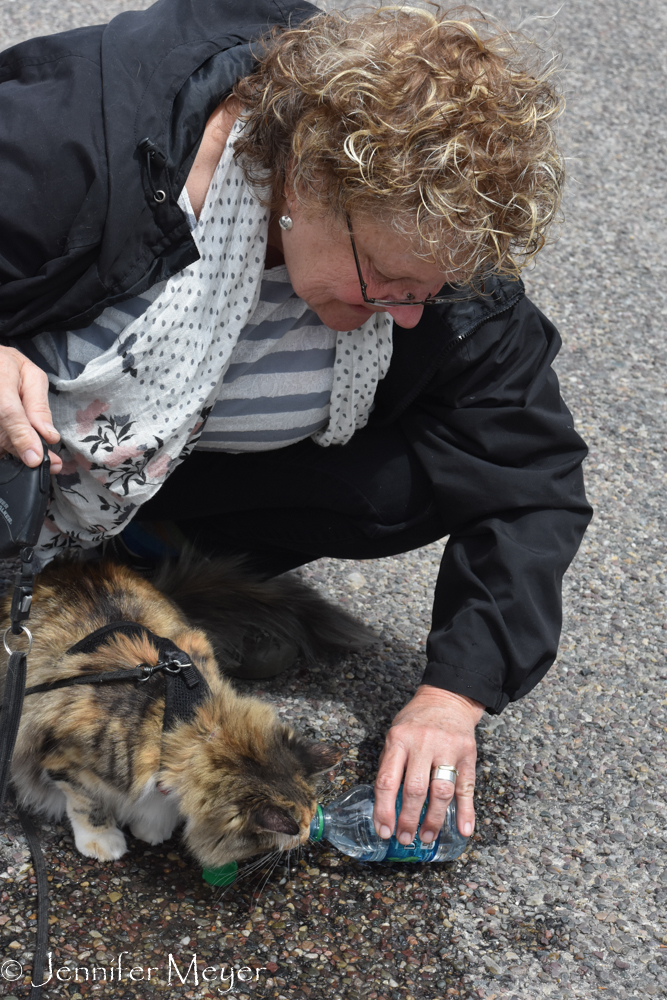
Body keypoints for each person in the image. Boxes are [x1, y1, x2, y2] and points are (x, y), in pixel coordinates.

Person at [0, 0, 591, 852]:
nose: (406, 313)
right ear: (312, 173)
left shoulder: (442, 275)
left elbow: (530, 483)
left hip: (165, 470)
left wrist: (455, 695)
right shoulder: (80, 140)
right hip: (23, 443)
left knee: (417, 475)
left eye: (428, 288)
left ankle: (127, 562)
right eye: (384, 276)